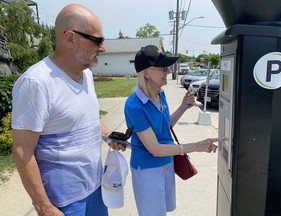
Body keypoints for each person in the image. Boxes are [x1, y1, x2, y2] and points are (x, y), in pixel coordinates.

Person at [11, 4, 124, 216]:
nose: (103, 48)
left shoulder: (87, 76)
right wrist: (44, 207)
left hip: (96, 190)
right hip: (64, 202)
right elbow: (21, 151)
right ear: (71, 38)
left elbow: (85, 121)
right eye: (97, 40)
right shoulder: (36, 83)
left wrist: (109, 135)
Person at [124, 45, 223, 216]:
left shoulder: (159, 94)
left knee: (163, 211)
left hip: (167, 164)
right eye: (163, 67)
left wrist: (183, 107)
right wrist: (196, 146)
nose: (168, 71)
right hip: (148, 170)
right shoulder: (134, 105)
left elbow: (164, 126)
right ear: (146, 73)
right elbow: (155, 149)